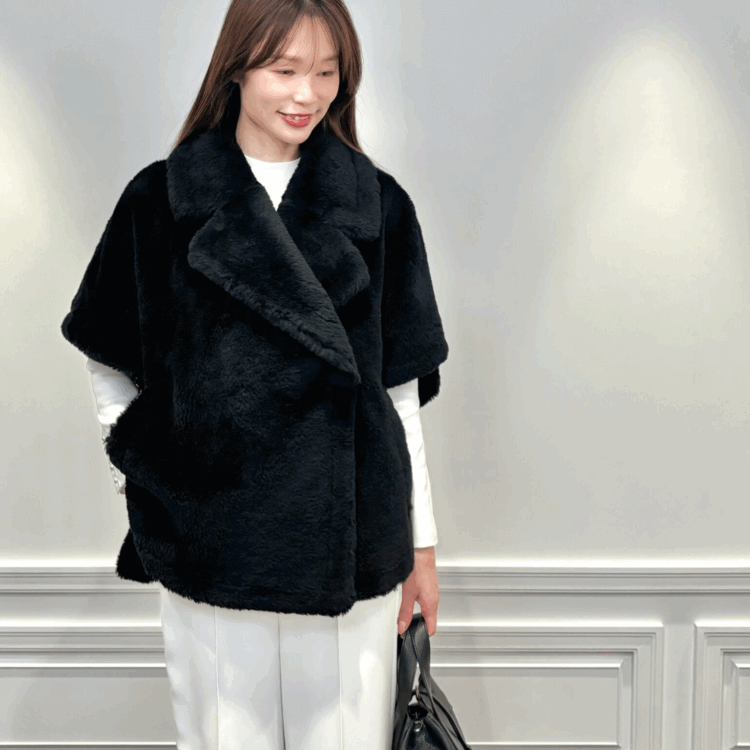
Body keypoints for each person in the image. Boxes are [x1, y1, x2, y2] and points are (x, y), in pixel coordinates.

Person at [60, 1, 450, 748]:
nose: (307, 94)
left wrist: (422, 548)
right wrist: (145, 478)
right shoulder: (160, 201)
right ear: (237, 68)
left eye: (327, 73)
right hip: (211, 542)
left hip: (350, 544)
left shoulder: (378, 207)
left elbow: (399, 397)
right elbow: (108, 354)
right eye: (285, 69)